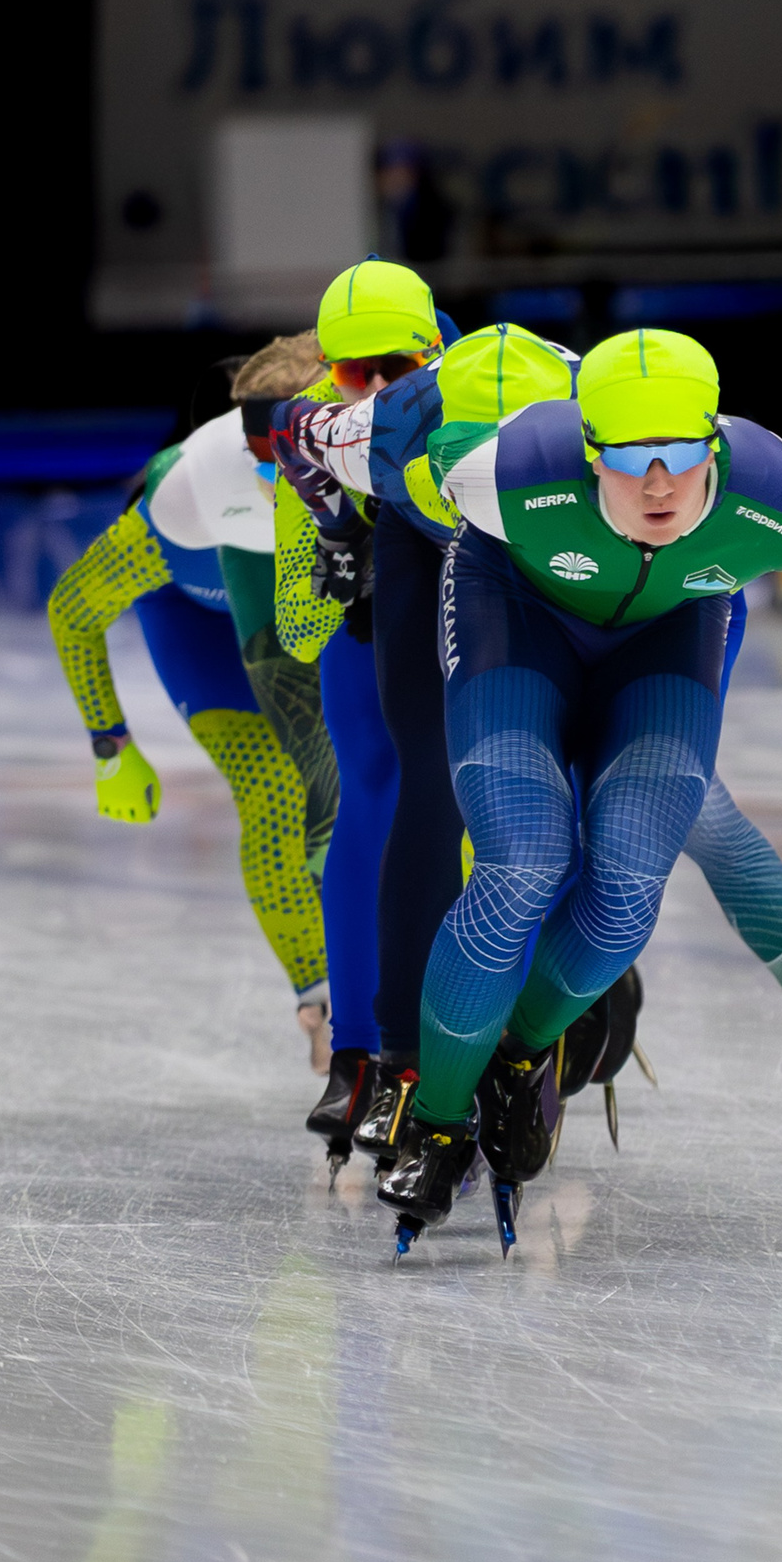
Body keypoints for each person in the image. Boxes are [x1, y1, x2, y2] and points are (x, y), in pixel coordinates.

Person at [272, 318, 782, 1198]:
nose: (655, 482)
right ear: (584, 452)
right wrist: (331, 529)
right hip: (502, 597)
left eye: (676, 454)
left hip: (664, 623)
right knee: (497, 838)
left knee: (652, 849)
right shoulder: (443, 444)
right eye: (626, 459)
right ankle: (419, 1092)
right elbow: (289, 430)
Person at [44, 335, 336, 1069]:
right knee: (274, 793)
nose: (278, 479)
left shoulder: (357, 466)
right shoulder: (178, 507)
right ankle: (323, 997)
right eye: (261, 460)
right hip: (204, 635)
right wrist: (110, 745)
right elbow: (74, 610)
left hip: (299, 618)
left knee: (363, 784)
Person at [259, 259, 463, 1171]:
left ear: (432, 347)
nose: (375, 392)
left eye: (394, 367)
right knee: (374, 791)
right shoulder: (313, 425)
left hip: (476, 589)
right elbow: (299, 632)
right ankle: (355, 1053)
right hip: (374, 614)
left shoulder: (488, 388)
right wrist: (339, 545)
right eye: (352, 375)